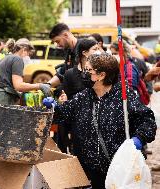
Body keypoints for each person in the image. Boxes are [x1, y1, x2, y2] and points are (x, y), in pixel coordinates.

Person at [44, 53, 157, 188]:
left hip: (118, 170)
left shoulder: (124, 97)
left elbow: (148, 121)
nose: (83, 74)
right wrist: (53, 107)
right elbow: (63, 114)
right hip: (89, 173)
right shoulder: (83, 97)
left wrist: (138, 139)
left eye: (88, 70)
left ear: (101, 75)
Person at [55, 38, 100, 153]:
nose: (99, 51)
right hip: (78, 123)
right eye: (95, 49)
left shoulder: (100, 73)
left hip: (98, 120)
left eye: (98, 48)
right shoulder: (70, 74)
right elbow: (67, 100)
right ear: (84, 53)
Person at [0, 38, 51, 105]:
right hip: (2, 98)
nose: (28, 57)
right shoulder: (17, 59)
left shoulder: (6, 58)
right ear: (24, 49)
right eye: (29, 54)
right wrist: (40, 86)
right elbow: (18, 86)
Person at [110, 41, 150, 105]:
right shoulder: (119, 66)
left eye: (115, 54)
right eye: (112, 54)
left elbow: (130, 90)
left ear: (124, 53)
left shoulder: (129, 68)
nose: (113, 56)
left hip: (129, 105)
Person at [46, 23, 81, 90]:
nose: (57, 45)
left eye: (58, 41)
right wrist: (48, 85)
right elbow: (63, 73)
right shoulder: (69, 51)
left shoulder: (83, 48)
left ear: (65, 35)